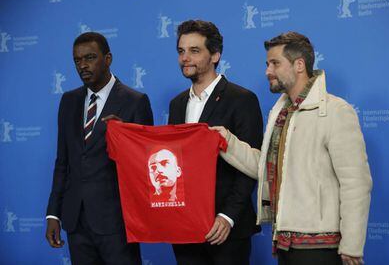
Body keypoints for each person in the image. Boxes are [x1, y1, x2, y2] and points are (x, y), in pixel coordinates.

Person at [211, 31, 372, 265]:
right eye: (267, 64)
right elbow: (265, 166)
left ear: (299, 65)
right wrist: (226, 141)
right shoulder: (281, 112)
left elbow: (356, 182)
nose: (267, 71)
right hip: (285, 244)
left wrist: (352, 245)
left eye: (275, 63)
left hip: (322, 247)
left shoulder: (337, 111)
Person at [45, 32, 153, 265]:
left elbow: (146, 165)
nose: (82, 65)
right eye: (77, 60)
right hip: (76, 221)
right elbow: (62, 162)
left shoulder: (135, 101)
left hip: (117, 222)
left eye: (90, 57)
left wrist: (127, 136)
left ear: (108, 58)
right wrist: (53, 213)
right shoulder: (68, 101)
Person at [168, 19, 263, 265]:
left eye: (194, 51)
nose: (185, 58)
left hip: (226, 231)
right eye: (181, 51)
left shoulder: (241, 99)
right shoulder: (177, 104)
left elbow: (252, 165)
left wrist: (227, 216)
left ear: (215, 55)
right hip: (185, 227)